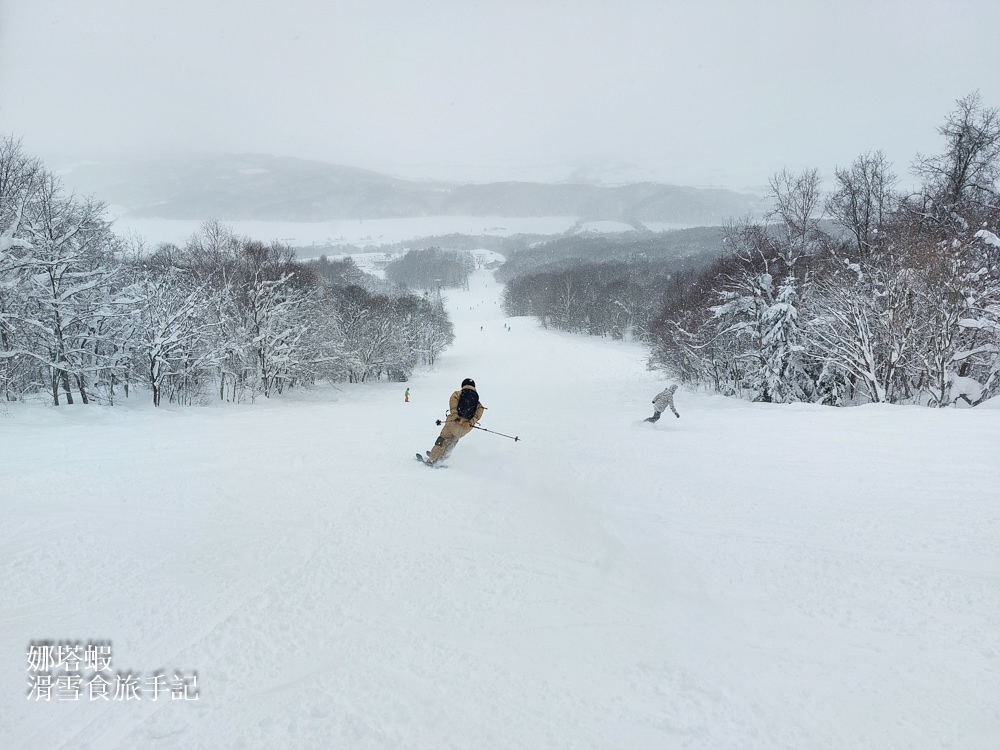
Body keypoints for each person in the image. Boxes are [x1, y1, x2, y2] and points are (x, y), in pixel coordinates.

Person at [424, 378, 485, 465]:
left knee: (443, 438)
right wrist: (471, 422)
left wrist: (455, 416)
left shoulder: (458, 393)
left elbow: (453, 404)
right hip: (465, 427)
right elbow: (480, 411)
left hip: (454, 422)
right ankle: (443, 458)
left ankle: (432, 457)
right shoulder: (476, 400)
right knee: (453, 440)